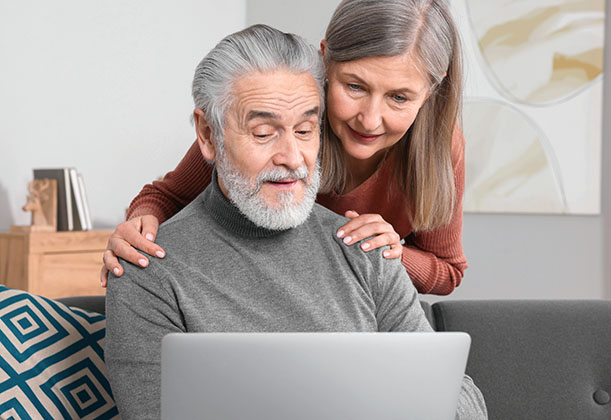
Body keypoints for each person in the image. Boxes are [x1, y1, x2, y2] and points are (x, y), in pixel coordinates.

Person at [105, 24, 487, 419]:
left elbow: (457, 395)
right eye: (264, 132)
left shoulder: (368, 251)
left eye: (306, 130)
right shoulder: (146, 272)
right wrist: (140, 221)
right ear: (208, 134)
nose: (293, 157)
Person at [100, 0, 468, 295]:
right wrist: (138, 225)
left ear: (433, 90)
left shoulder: (438, 144)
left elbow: (448, 271)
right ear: (325, 59)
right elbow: (169, 196)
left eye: (399, 98)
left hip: (357, 308)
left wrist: (389, 251)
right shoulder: (283, 116)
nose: (370, 120)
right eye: (355, 87)